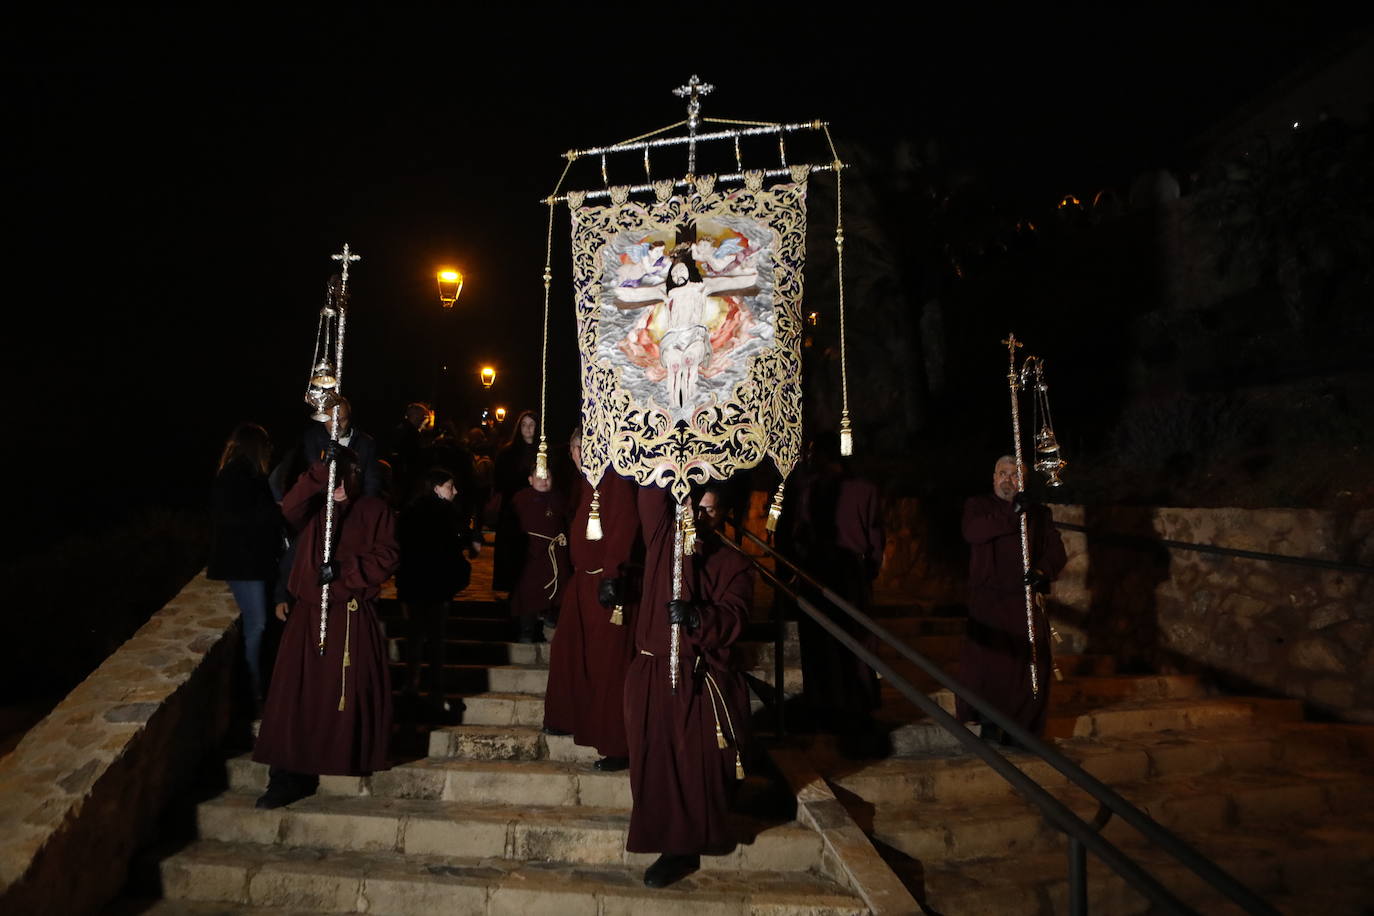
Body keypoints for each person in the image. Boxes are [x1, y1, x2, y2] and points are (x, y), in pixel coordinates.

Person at [252, 444, 399, 808]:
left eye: (343, 472)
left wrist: (346, 572)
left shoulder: (374, 510)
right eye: (333, 472)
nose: (338, 481)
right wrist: (319, 470)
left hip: (350, 613)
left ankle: (344, 756)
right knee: (294, 696)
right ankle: (286, 777)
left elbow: (387, 555)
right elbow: (288, 507)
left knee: (343, 692)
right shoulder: (316, 510)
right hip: (307, 616)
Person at [624, 483, 752, 889]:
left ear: (723, 515)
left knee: (691, 768)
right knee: (656, 766)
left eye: (712, 511)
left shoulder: (734, 563)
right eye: (696, 508)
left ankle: (684, 844)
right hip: (654, 674)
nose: (702, 518)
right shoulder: (666, 543)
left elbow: (736, 614)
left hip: (698, 676)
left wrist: (700, 619)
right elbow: (650, 500)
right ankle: (666, 835)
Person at [542, 425, 640, 771]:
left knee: (608, 663)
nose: (580, 453)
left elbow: (625, 523)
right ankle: (568, 717)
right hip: (581, 582)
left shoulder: (614, 480)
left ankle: (617, 745)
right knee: (568, 650)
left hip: (605, 584)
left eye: (586, 447)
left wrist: (613, 572)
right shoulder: (580, 482)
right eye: (575, 448)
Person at [957, 455, 1067, 742]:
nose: (1008, 479)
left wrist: (1043, 569)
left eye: (1015, 475)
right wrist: (1012, 514)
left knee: (1031, 666)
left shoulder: (1039, 514)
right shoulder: (978, 507)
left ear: (1024, 481)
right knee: (992, 667)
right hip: (990, 600)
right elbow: (974, 533)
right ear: (993, 478)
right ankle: (991, 723)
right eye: (1002, 474)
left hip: (1024, 600)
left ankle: (1024, 730)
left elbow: (1056, 550)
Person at [793, 431, 884, 733]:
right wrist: (867, 570)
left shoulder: (809, 489)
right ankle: (858, 702)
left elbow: (800, 532)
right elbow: (875, 538)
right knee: (854, 638)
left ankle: (825, 703)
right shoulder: (866, 489)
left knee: (822, 640)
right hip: (851, 573)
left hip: (819, 572)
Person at [207, 422, 283, 710]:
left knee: (258, 625)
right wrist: (272, 513)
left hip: (247, 561)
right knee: (257, 624)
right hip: (243, 563)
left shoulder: (239, 474)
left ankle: (255, 688)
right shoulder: (238, 475)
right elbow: (235, 517)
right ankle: (254, 692)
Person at [396, 467, 480, 722]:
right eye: (449, 486)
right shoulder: (445, 513)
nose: (454, 491)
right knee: (435, 638)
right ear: (436, 488)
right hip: (435, 585)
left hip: (412, 583)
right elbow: (454, 544)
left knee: (415, 635)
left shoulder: (411, 511)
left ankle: (413, 684)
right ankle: (434, 688)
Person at [508, 466, 570, 643]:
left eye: (548, 477)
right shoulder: (521, 499)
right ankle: (526, 631)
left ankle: (551, 624)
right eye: (539, 476)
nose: (544, 480)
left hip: (555, 554)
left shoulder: (560, 499)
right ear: (530, 479)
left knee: (557, 590)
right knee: (528, 592)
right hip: (530, 554)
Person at [492, 410, 539, 592]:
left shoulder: (543, 450)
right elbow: (501, 481)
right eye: (524, 425)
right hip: (514, 510)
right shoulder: (507, 453)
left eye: (531, 425)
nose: (527, 429)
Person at [301, 398, 384, 498]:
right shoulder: (312, 439)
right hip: (321, 504)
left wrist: (364, 508)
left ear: (349, 418)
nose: (336, 426)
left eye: (342, 420)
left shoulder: (366, 443)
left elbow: (372, 481)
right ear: (323, 419)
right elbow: (309, 476)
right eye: (331, 420)